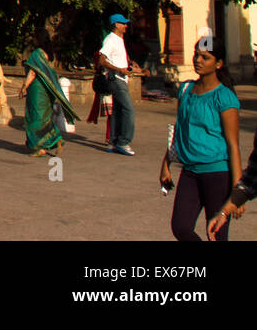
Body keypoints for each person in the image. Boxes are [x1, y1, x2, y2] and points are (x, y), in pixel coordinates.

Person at [160, 39, 241, 241]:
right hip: (190, 173)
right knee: (180, 227)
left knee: (216, 234)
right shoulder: (185, 90)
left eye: (205, 57)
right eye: (196, 54)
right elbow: (179, 131)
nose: (198, 60)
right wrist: (166, 164)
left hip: (218, 175)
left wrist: (238, 191)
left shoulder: (224, 97)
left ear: (218, 63)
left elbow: (233, 145)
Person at [97, 12, 145, 155]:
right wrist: (119, 70)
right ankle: (124, 142)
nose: (126, 26)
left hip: (120, 78)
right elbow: (102, 60)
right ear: (116, 25)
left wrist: (134, 68)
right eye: (123, 23)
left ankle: (113, 142)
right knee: (128, 110)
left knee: (118, 111)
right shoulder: (110, 39)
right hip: (115, 79)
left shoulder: (119, 39)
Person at [18, 40, 77, 157]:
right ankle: (57, 139)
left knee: (34, 119)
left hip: (36, 91)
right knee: (44, 118)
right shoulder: (48, 55)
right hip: (46, 92)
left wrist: (24, 87)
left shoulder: (36, 54)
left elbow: (32, 72)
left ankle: (40, 147)